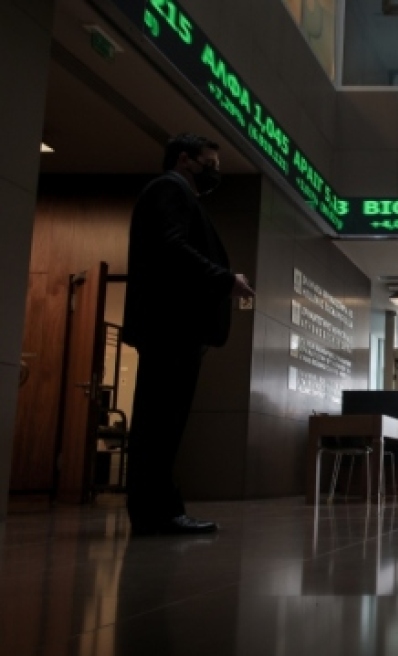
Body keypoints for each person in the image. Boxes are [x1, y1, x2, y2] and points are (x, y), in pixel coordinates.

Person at [122, 133, 254, 536]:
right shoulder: (170, 189)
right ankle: (157, 513)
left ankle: (159, 509)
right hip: (171, 327)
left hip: (174, 329)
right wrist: (224, 280)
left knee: (164, 423)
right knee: (160, 424)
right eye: (209, 164)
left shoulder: (176, 194)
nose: (214, 172)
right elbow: (172, 249)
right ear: (184, 160)